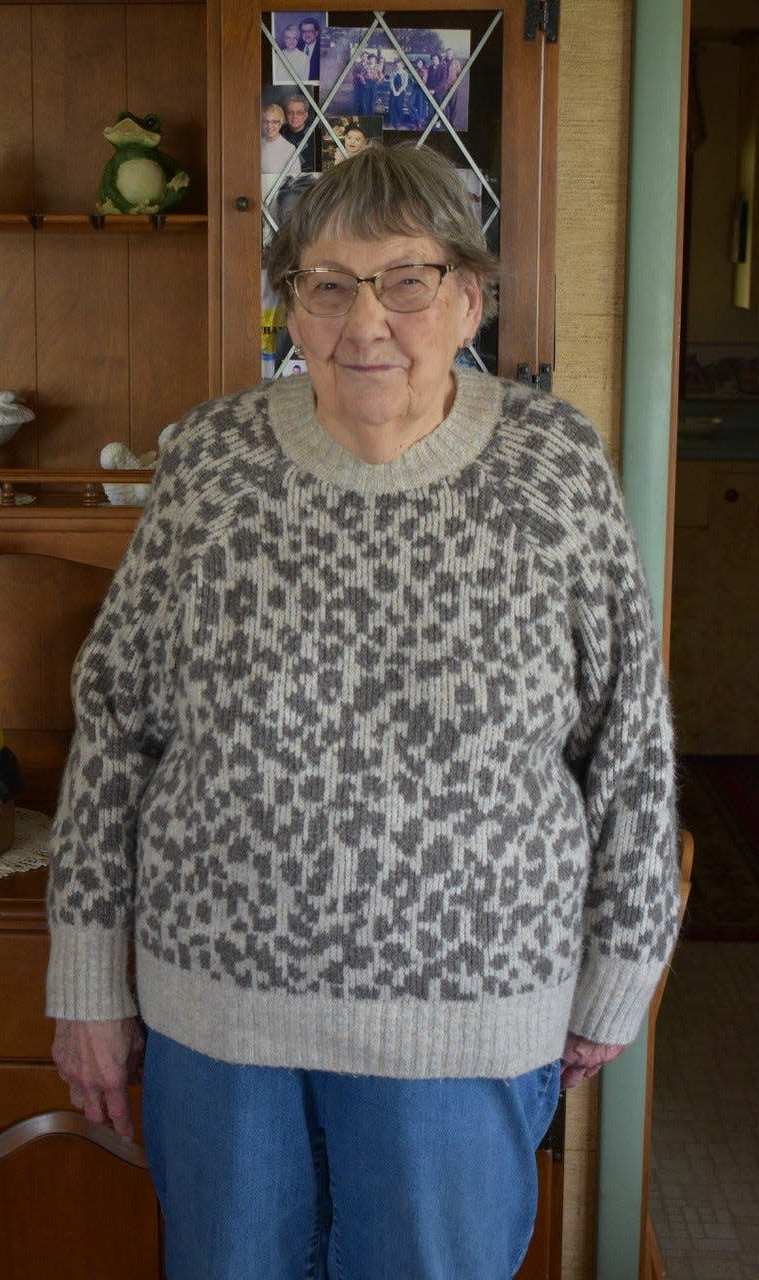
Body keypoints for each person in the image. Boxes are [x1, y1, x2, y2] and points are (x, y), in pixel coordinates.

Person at [48, 143, 680, 1280]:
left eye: (406, 278)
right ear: (291, 303)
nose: (364, 319)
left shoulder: (551, 468)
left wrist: (621, 966)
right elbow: (114, 725)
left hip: (467, 1010)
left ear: (468, 297)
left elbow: (630, 741)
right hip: (219, 1014)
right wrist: (87, 977)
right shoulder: (208, 464)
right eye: (325, 283)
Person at [260, 102, 300, 198]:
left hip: (279, 199)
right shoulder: (255, 145)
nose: (269, 126)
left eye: (274, 121)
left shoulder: (289, 149)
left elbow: (295, 182)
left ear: (281, 123)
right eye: (266, 121)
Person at [280, 94, 316, 171]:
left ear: (305, 115)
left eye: (299, 113)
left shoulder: (314, 136)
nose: (294, 116)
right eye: (290, 112)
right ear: (285, 115)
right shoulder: (278, 132)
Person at [388, 58, 410, 129]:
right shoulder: (393, 72)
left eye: (399, 65)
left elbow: (405, 84)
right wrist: (394, 91)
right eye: (397, 65)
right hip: (393, 91)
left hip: (401, 92)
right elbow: (391, 82)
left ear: (402, 65)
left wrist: (399, 92)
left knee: (398, 106)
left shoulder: (405, 73)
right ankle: (392, 122)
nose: (398, 66)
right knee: (391, 106)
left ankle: (398, 122)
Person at [299, 16, 320, 81]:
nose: (306, 34)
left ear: (316, 33)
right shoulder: (297, 47)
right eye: (304, 31)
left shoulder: (322, 50)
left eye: (310, 31)